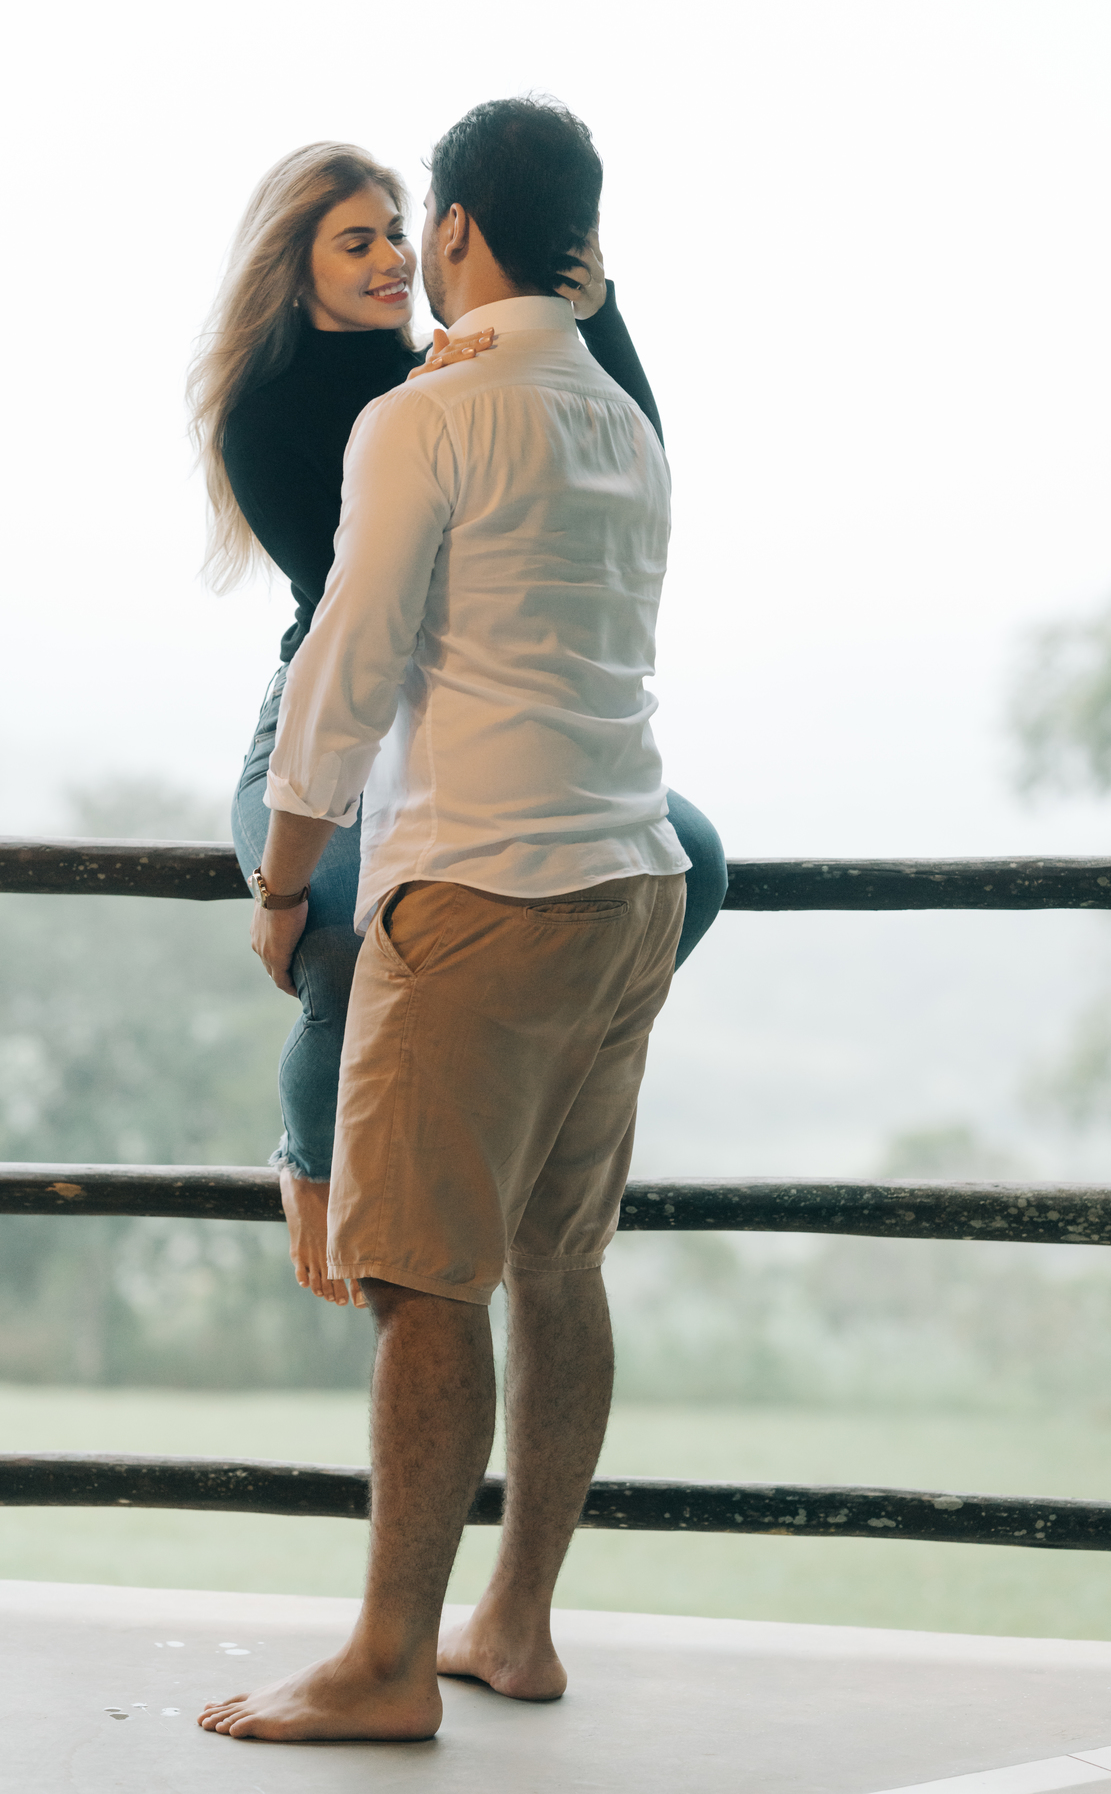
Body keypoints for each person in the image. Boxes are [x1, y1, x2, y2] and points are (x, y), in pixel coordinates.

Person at [198, 95, 692, 1745]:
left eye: (421, 224)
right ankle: (519, 1627)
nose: (411, 253)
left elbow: (344, 668)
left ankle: (389, 1660)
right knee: (558, 1265)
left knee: (422, 1286)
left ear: (461, 233)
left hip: (479, 886)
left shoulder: (429, 420)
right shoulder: (621, 420)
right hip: (629, 879)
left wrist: (279, 883)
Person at [188, 141, 727, 1310]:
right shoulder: (271, 412)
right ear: (295, 271)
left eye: (396, 229)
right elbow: (358, 614)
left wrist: (595, 306)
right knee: (336, 922)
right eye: (358, 240)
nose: (392, 256)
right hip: (331, 703)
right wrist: (439, 388)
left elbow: (631, 439)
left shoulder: (440, 372)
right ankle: (310, 1154)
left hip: (450, 703)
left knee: (701, 853)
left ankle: (518, 1057)